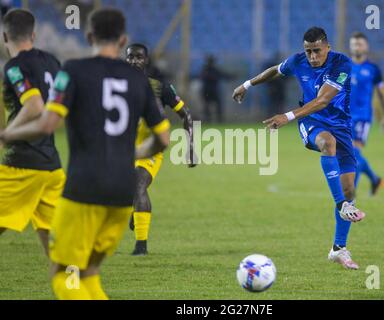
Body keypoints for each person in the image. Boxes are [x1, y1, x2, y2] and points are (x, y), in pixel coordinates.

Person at [1, 8, 170, 300]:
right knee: (88, 275)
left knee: (62, 276)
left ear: (89, 35)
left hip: (83, 188)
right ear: (123, 40)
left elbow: (47, 122)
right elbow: (163, 138)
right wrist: (134, 152)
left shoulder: (73, 71)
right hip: (121, 191)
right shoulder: (138, 80)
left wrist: (6, 134)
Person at [233, 27, 366, 270]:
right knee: (327, 143)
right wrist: (247, 84)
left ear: (328, 47)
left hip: (342, 126)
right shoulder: (297, 61)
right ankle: (342, 206)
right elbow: (275, 70)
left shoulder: (341, 64)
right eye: (308, 51)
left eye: (317, 51)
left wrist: (287, 115)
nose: (312, 56)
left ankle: (338, 249)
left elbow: (323, 100)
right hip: (312, 122)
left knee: (349, 189)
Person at [0, 9, 65, 256]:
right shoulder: (53, 62)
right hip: (52, 167)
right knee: (58, 247)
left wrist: (7, 135)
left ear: (5, 37)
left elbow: (34, 105)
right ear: (34, 35)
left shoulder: (14, 67)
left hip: (21, 165)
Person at [126, 43, 196, 256]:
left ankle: (141, 246)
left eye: (139, 57)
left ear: (146, 60)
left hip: (150, 149)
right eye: (130, 57)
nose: (134, 61)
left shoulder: (159, 87)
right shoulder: (115, 86)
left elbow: (187, 115)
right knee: (127, 191)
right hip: (122, 148)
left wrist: (190, 148)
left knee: (138, 185)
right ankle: (135, 209)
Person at [349, 32, 384, 194]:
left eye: (360, 44)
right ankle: (375, 180)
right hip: (344, 117)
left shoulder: (373, 69)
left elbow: (382, 93)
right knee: (348, 155)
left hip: (363, 117)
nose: (357, 47)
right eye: (354, 44)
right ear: (350, 47)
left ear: (366, 47)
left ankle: (351, 195)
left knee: (354, 155)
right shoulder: (344, 66)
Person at [200, 55, 233, 123]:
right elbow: (224, 75)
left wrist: (231, 77)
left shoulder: (207, 70)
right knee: (210, 106)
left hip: (208, 91)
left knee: (210, 106)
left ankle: (214, 120)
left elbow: (224, 75)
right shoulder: (208, 70)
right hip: (210, 91)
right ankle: (213, 120)